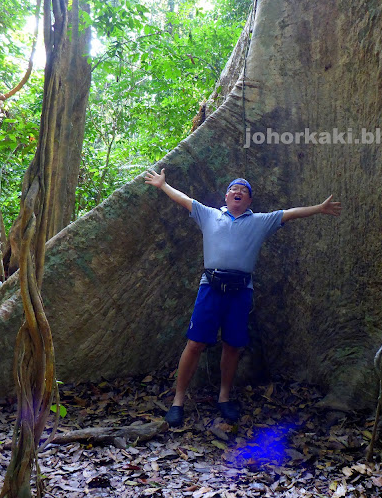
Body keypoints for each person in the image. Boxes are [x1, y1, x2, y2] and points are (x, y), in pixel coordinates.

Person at [145, 168, 342, 427]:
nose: (238, 192)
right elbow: (183, 199)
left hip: (240, 292)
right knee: (195, 344)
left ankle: (224, 398)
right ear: (226, 196)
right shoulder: (209, 215)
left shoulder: (259, 221)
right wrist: (162, 185)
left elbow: (291, 213)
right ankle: (178, 401)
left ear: (249, 201)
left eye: (244, 191)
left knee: (232, 346)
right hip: (211, 287)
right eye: (233, 189)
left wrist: (318, 208)